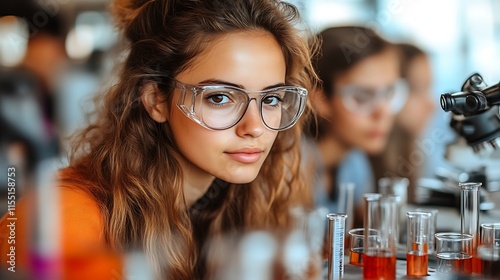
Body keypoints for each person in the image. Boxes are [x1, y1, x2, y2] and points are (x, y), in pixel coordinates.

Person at [0, 0, 318, 279]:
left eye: (272, 99)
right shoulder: (63, 218)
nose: (255, 127)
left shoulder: (241, 207)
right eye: (220, 98)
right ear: (156, 100)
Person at [303, 26, 407, 227]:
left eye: (389, 93)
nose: (382, 112)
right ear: (321, 99)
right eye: (361, 96)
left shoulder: (354, 164)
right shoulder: (285, 168)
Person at [369, 43, 436, 204]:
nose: (431, 105)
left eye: (429, 88)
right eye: (417, 89)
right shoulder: (360, 165)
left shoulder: (412, 154)